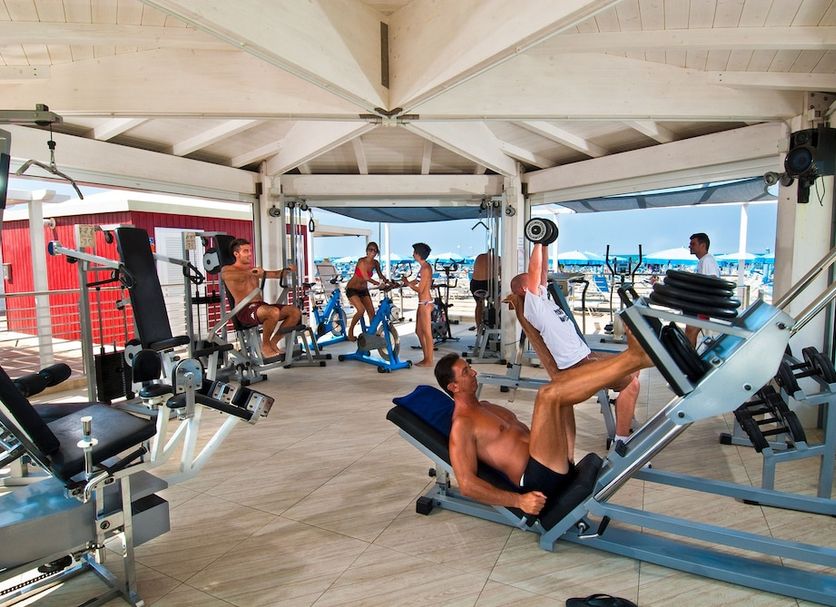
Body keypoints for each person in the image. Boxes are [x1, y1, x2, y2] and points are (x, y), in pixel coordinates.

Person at [434, 331, 652, 516]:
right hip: (537, 479)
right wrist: (519, 501)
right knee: (547, 394)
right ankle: (633, 359)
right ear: (454, 387)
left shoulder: (487, 406)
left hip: (553, 462)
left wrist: (567, 454)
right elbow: (467, 485)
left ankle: (631, 362)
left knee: (561, 382)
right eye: (466, 372)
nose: (473, 372)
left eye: (469, 367)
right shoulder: (462, 425)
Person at [508, 242, 640, 447]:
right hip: (576, 366)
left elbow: (542, 270)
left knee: (635, 367)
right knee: (632, 383)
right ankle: (621, 443)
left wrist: (545, 243)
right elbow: (535, 268)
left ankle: (625, 413)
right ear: (526, 289)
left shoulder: (543, 300)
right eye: (532, 281)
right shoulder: (533, 307)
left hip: (587, 356)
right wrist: (537, 241)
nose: (540, 282)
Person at [221, 238, 302, 360]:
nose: (250, 254)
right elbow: (229, 276)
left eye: (250, 250)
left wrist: (288, 270)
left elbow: (275, 274)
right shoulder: (228, 270)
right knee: (273, 312)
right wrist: (251, 272)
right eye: (245, 251)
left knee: (294, 312)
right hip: (244, 309)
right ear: (236, 254)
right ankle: (265, 346)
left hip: (260, 306)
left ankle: (273, 342)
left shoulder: (253, 270)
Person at [345, 242, 389, 341]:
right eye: (370, 249)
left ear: (377, 252)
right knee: (361, 310)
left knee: (372, 312)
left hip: (363, 290)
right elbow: (366, 277)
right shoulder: (361, 261)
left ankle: (372, 335)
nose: (372, 252)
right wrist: (378, 284)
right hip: (352, 289)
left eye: (375, 250)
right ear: (367, 251)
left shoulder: (375, 263)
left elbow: (380, 275)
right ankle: (350, 331)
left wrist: (388, 282)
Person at [685, 232, 721, 346]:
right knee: (691, 330)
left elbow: (714, 279)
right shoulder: (703, 260)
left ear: (703, 245)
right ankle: (688, 354)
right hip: (701, 303)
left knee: (691, 330)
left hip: (704, 304)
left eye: (693, 244)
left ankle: (688, 355)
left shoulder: (707, 260)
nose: (690, 246)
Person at [403, 242, 434, 367]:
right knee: (419, 331)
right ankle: (426, 357)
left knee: (427, 332)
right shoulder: (424, 267)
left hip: (425, 303)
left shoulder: (425, 269)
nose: (413, 254)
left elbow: (420, 289)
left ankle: (429, 360)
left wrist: (408, 284)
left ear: (418, 254)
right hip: (422, 303)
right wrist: (406, 282)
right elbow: (417, 280)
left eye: (414, 252)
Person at [469, 249, 501, 331]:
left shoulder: (479, 256)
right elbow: (501, 274)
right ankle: (495, 316)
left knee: (479, 304)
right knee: (499, 299)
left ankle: (478, 327)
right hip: (487, 283)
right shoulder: (497, 258)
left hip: (475, 284)